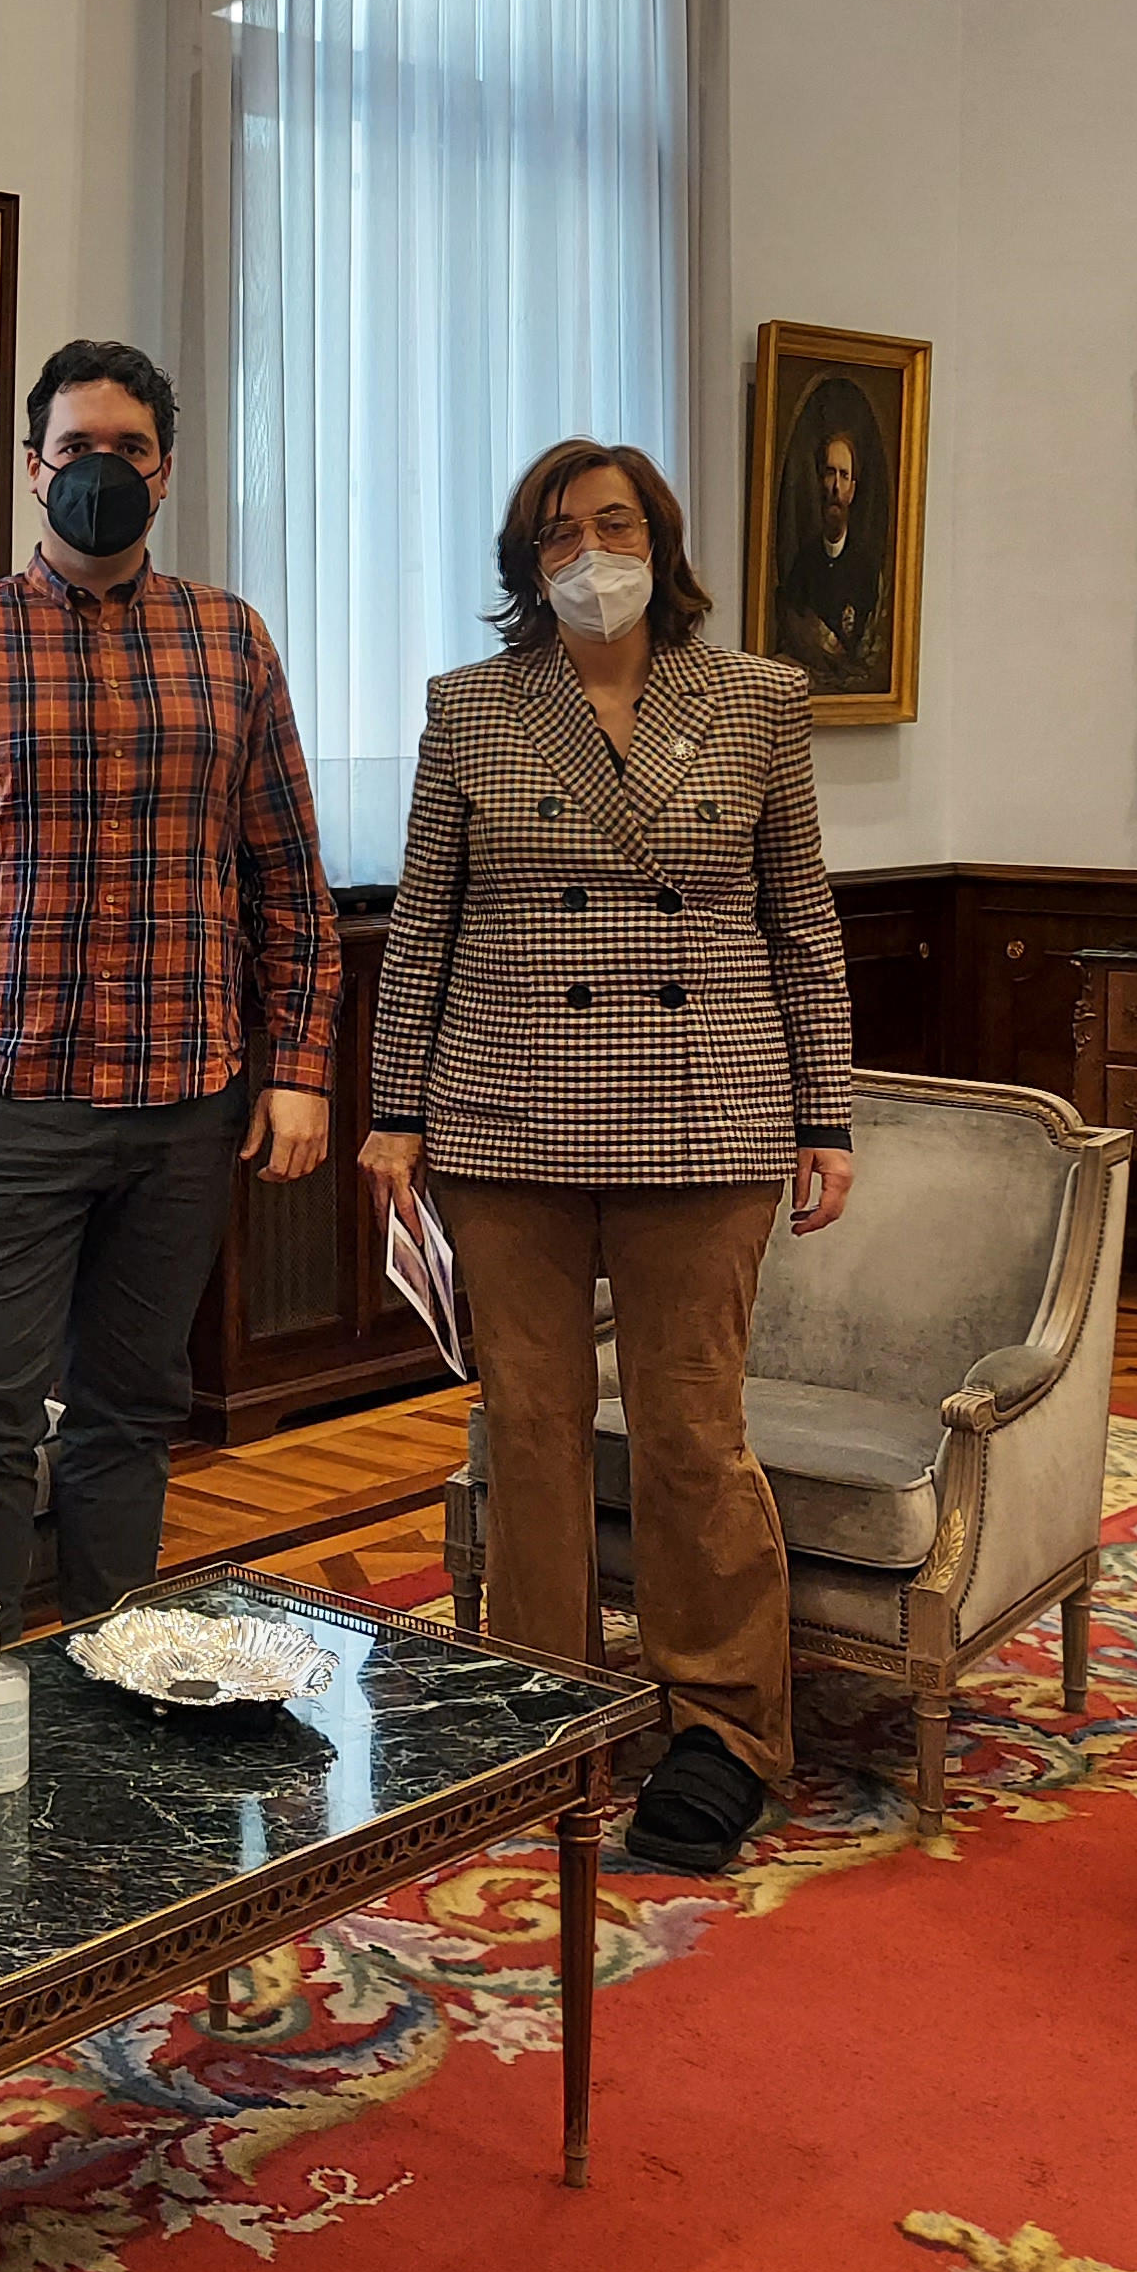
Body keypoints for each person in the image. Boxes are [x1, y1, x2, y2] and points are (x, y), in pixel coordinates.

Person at [354, 438, 854, 1878]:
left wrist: (823, 1114)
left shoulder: (757, 698)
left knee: (693, 1430)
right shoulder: (469, 706)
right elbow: (425, 922)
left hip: (707, 1111)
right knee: (529, 1426)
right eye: (558, 535)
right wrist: (394, 1108)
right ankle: (538, 1706)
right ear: (528, 563)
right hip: (507, 1106)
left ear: (661, 539)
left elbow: (799, 916)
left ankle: (725, 1730)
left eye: (614, 525)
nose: (589, 555)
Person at [0, 337, 339, 1659]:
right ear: (33, 467)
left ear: (164, 469)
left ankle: (117, 1685)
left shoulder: (231, 639)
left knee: (132, 1415)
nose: (101, 469)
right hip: (8, 1100)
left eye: (129, 448)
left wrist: (298, 1069)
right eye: (76, 447)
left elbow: (288, 875)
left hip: (186, 1101)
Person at [773, 410, 888, 692]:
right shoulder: (802, 564)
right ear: (819, 481)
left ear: (852, 490)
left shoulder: (867, 567)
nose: (836, 487)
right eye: (829, 473)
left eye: (844, 476)